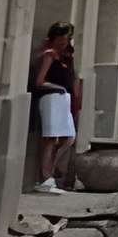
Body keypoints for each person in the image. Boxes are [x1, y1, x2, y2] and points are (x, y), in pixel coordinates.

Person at [29, 22, 81, 195]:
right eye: (61, 38)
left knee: (69, 138)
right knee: (50, 139)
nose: (64, 42)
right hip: (51, 98)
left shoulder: (65, 57)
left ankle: (52, 169)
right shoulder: (49, 55)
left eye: (66, 39)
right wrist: (56, 87)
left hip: (63, 99)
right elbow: (40, 81)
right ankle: (45, 177)